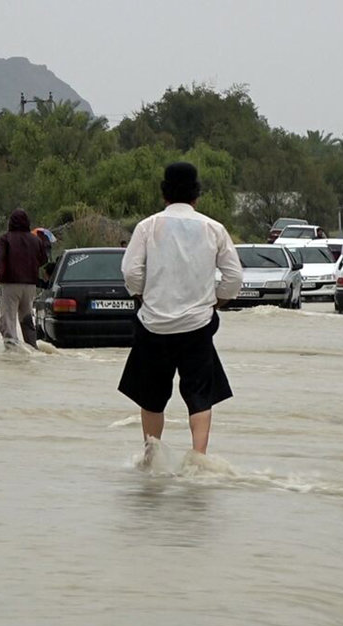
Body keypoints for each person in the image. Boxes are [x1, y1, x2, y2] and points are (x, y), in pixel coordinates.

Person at [118, 162, 243, 456]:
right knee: (200, 396)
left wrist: (142, 297)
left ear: (164, 195)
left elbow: (131, 272)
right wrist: (217, 300)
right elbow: (234, 278)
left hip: (153, 325)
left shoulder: (147, 227)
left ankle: (151, 456)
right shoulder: (214, 229)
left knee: (151, 397)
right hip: (197, 327)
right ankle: (199, 458)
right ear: (196, 196)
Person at [0, 209, 47, 349]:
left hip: (11, 285)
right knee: (26, 319)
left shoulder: (5, 239)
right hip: (30, 286)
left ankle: (12, 352)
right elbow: (43, 259)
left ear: (11, 222)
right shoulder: (36, 240)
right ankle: (32, 348)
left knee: (8, 321)